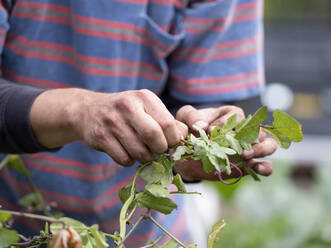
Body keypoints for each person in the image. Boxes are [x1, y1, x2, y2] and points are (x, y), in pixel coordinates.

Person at [0, 0, 276, 246]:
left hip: (149, 234)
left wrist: (204, 143)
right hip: (12, 222)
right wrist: (79, 111)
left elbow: (210, 97)